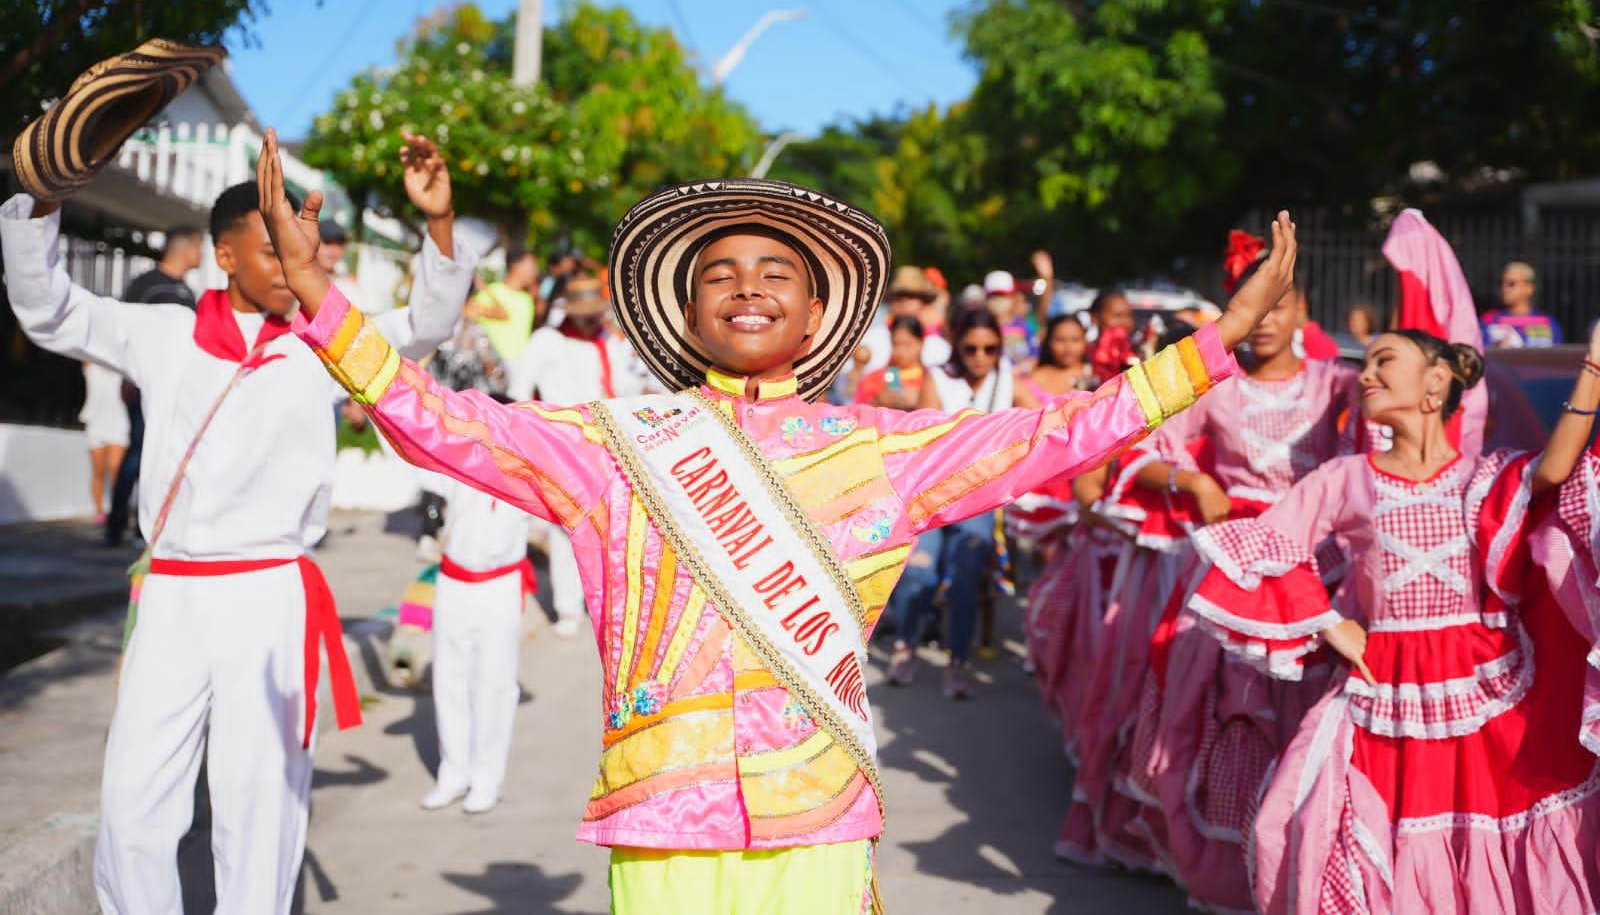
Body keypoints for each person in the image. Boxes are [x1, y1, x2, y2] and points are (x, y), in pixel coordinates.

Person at [260, 131, 1298, 913]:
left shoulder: (880, 450)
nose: (747, 288)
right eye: (720, 274)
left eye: (775, 277)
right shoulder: (616, 445)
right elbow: (443, 424)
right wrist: (317, 295)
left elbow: (1062, 433)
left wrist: (1212, 351)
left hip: (817, 811)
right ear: (685, 312)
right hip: (662, 810)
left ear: (813, 315)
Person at [3, 81, 473, 911]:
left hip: (271, 591)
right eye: (272, 246)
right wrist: (41, 201)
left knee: (261, 799)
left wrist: (438, 224)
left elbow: (427, 325)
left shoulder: (329, 342)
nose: (295, 264)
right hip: (176, 593)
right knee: (135, 803)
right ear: (224, 255)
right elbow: (49, 310)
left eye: (303, 244)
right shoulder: (164, 332)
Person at [1189, 326, 1600, 914]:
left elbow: (1556, 469)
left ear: (1437, 382)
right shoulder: (1345, 477)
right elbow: (1263, 547)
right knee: (1302, 818)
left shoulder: (1482, 477)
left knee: (1484, 841)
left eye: (1385, 360)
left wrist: (1595, 366)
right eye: (1367, 363)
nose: (1367, 374)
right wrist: (1326, 619)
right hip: (1382, 691)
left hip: (1487, 696)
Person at [1065, 236, 1362, 898]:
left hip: (1317, 570)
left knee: (1309, 713)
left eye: (1278, 307)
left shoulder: (1336, 382)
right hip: (1233, 568)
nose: (1264, 323)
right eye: (1251, 309)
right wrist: (1194, 484)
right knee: (1228, 712)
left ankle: (1307, 856)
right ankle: (1225, 871)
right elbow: (1139, 454)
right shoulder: (1217, 388)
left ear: (1303, 311)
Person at [888, 308, 1016, 700]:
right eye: (972, 347)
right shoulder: (938, 378)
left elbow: (1049, 409)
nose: (981, 356)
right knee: (917, 574)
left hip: (978, 501)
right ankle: (906, 645)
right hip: (933, 497)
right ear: (957, 345)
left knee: (965, 580)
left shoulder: (1006, 376)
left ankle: (957, 661)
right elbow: (928, 441)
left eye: (990, 348)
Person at [508, 274, 646, 636]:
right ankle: (567, 607)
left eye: (595, 313)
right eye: (585, 313)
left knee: (613, 526)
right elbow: (518, 392)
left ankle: (606, 601)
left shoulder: (606, 340)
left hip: (607, 443)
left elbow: (624, 384)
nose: (592, 319)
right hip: (562, 444)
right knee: (564, 527)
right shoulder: (546, 341)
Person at [421, 459, 537, 815]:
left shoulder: (525, 472)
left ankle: (487, 778)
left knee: (494, 684)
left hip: (499, 584)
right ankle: (453, 771)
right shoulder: (456, 459)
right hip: (452, 581)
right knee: (448, 680)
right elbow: (412, 452)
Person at [103, 224, 204, 546]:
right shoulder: (145, 286)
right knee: (137, 455)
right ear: (186, 247)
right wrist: (128, 378)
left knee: (164, 457)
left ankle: (146, 529)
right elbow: (125, 334)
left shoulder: (187, 292)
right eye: (200, 247)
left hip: (178, 392)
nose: (202, 255)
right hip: (143, 386)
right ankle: (116, 526)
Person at [858, 264, 951, 374]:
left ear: (923, 302)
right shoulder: (869, 340)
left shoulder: (939, 348)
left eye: (911, 296)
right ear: (891, 301)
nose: (904, 301)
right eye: (899, 296)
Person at [469, 245, 540, 364]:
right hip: (494, 366)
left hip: (521, 364)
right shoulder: (491, 292)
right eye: (532, 266)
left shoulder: (527, 299)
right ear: (516, 266)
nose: (536, 271)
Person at [80, 361, 130, 524]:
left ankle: (119, 512)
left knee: (117, 469)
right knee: (98, 470)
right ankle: (100, 511)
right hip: (95, 421)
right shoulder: (90, 364)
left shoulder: (124, 366)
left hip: (119, 422)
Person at [1482, 259, 1563, 347]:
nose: (1504, 288)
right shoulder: (1489, 320)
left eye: (1511, 283)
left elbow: (1556, 356)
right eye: (1501, 283)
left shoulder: (1548, 322)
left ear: (1529, 288)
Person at [854, 315, 930, 409]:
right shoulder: (874, 379)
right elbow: (857, 412)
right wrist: (877, 402)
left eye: (908, 345)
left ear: (921, 343)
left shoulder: (931, 379)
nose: (901, 352)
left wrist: (923, 399)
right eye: (896, 344)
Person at [983, 270, 1039, 364]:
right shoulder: (981, 326)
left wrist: (1018, 372)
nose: (998, 301)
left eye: (1003, 296)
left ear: (1012, 297)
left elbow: (1034, 356)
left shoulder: (1024, 324)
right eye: (993, 296)